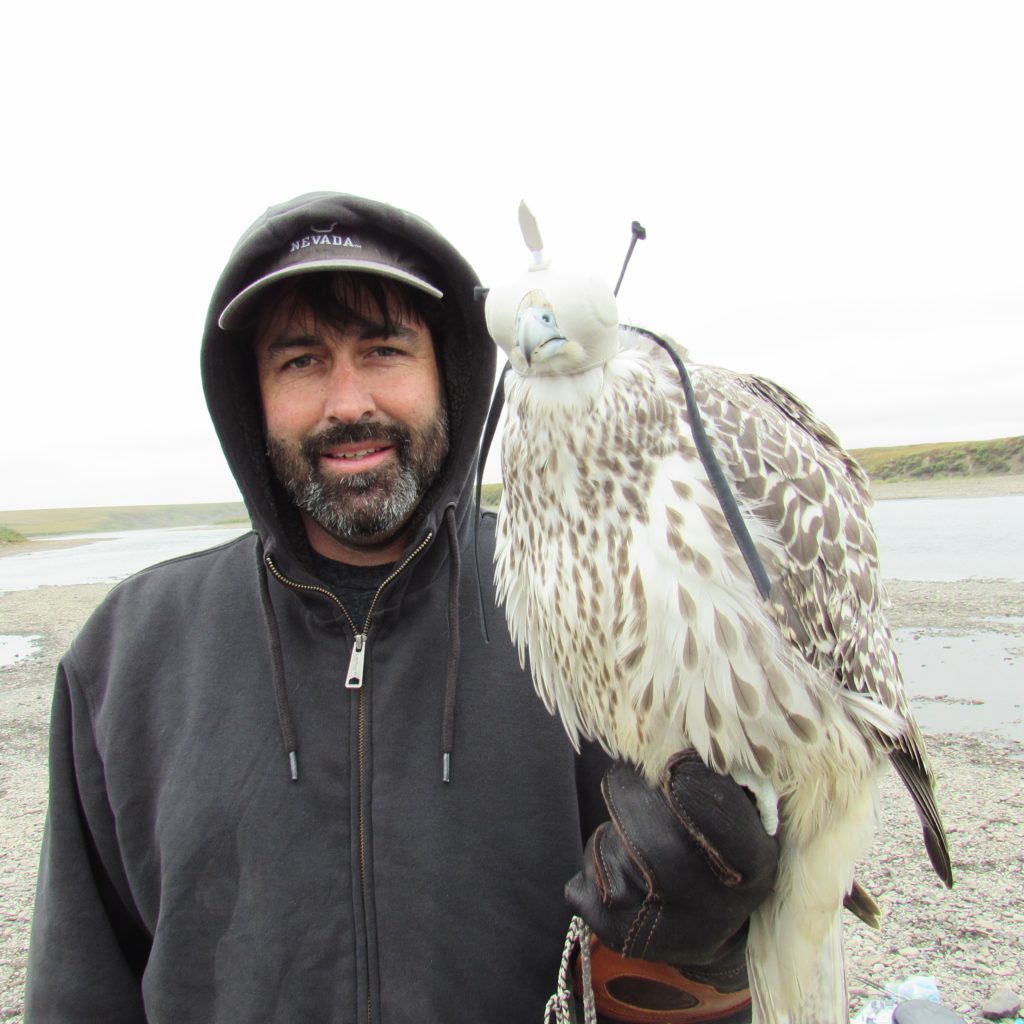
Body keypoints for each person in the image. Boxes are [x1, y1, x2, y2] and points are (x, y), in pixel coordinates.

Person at [24, 192, 778, 1023]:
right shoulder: (130, 652)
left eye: (384, 350)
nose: (349, 403)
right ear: (250, 396)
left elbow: (675, 961)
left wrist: (707, 959)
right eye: (301, 361)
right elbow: (78, 989)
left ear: (448, 371)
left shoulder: (595, 609)